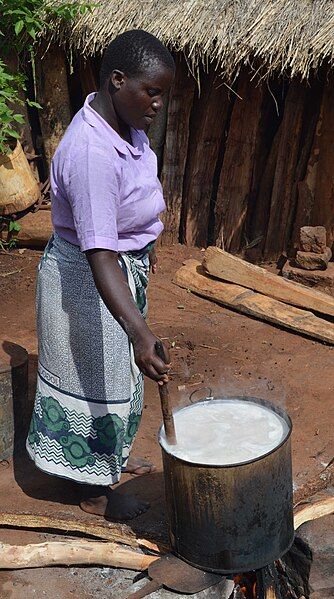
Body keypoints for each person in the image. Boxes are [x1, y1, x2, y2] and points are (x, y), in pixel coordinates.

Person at [26, 29, 175, 520]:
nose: (156, 104)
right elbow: (100, 255)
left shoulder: (124, 125)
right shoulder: (91, 152)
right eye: (150, 92)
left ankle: (106, 462)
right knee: (97, 382)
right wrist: (139, 330)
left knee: (115, 379)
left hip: (115, 275)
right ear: (117, 81)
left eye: (162, 94)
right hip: (88, 284)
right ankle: (92, 493)